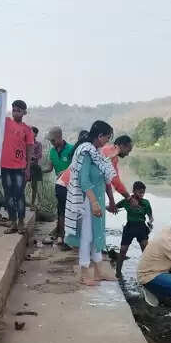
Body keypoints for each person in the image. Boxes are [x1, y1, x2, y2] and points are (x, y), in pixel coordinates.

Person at [64, 121, 119, 286]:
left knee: (97, 234)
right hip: (88, 200)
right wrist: (94, 202)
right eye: (107, 137)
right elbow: (84, 180)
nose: (108, 141)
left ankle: (99, 271)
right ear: (100, 136)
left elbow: (104, 177)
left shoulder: (96, 152)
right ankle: (84, 272)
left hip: (97, 199)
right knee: (86, 236)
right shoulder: (86, 151)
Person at [56, 134, 135, 212]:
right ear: (122, 146)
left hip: (69, 185)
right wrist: (129, 198)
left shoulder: (105, 150)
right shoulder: (109, 154)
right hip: (68, 186)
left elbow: (107, 181)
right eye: (128, 150)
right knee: (69, 217)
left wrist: (111, 202)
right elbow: (115, 181)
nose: (127, 154)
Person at [0, 99, 34, 234]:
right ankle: (13, 222)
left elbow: (29, 149)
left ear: (24, 112)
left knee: (19, 195)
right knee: (8, 195)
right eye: (14, 110)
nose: (15, 113)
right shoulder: (6, 123)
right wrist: (0, 97)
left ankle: (21, 222)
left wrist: (28, 167)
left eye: (18, 111)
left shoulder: (27, 130)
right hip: (5, 166)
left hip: (20, 167)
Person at [115, 181, 154, 279]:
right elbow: (114, 207)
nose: (141, 195)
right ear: (133, 191)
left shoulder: (146, 203)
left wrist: (150, 222)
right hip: (129, 227)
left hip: (141, 228)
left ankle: (148, 272)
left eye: (143, 192)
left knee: (146, 251)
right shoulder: (126, 201)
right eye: (139, 192)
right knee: (123, 250)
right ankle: (118, 273)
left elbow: (150, 216)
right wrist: (111, 208)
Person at [43, 126, 74, 246]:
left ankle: (69, 235)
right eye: (50, 141)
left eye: (53, 140)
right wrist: (38, 170)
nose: (52, 143)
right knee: (61, 209)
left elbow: (76, 166)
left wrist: (66, 171)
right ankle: (61, 234)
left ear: (59, 137)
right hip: (60, 185)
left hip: (72, 185)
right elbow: (49, 168)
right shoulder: (52, 151)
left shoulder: (71, 149)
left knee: (70, 210)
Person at [28, 126, 43, 210]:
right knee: (22, 185)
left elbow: (39, 155)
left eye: (32, 132)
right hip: (26, 167)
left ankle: (32, 204)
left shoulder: (38, 144)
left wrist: (32, 157)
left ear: (36, 134)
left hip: (34, 167)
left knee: (34, 186)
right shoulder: (25, 143)